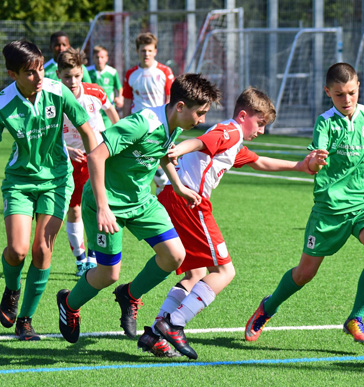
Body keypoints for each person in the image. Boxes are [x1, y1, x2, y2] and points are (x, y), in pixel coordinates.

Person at [244, 63, 364, 346]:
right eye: (339, 95)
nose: (346, 100)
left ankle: (355, 318)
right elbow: (313, 157)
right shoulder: (325, 122)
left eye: (352, 93)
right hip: (329, 209)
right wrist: (314, 161)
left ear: (359, 87)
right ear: (328, 93)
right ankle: (267, 308)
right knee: (304, 273)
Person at [136, 88, 328, 359]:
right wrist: (178, 148)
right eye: (260, 123)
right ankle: (174, 324)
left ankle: (155, 335)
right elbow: (203, 141)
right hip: (190, 201)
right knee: (225, 272)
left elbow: (259, 161)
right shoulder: (232, 131)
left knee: (196, 273)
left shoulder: (233, 141)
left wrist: (300, 166)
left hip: (172, 196)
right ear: (243, 115)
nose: (261, 131)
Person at [56, 73, 220, 346]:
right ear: (180, 107)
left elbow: (163, 152)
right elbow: (96, 155)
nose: (201, 120)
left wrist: (177, 185)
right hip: (106, 202)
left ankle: (130, 295)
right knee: (109, 274)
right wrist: (103, 207)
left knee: (175, 255)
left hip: (141, 201)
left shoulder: (174, 124)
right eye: (199, 113)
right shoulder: (141, 123)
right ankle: (69, 304)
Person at [0, 40, 97, 340]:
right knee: (17, 251)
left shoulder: (57, 90)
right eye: (30, 72)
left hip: (57, 180)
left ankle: (25, 320)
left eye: (41, 68)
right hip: (19, 181)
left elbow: (88, 130)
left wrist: (96, 176)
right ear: (12, 73)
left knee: (42, 250)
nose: (39, 77)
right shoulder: (3, 103)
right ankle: (12, 289)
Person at [57, 48, 120, 277]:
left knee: (96, 208)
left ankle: (94, 256)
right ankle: (80, 259)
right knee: (74, 211)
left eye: (76, 75)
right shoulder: (54, 97)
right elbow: (50, 134)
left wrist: (117, 141)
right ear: (58, 74)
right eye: (67, 77)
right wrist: (67, 150)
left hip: (97, 157)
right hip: (70, 161)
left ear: (82, 72)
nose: (72, 81)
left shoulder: (96, 92)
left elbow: (113, 114)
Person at [122, 32, 175, 194]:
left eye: (150, 50)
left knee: (159, 173)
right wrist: (124, 126)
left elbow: (170, 101)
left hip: (159, 126)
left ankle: (161, 205)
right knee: (141, 169)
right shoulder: (131, 74)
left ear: (155, 51)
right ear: (138, 51)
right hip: (138, 126)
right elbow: (127, 103)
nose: (146, 54)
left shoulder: (165, 72)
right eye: (143, 50)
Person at [86, 45, 124, 128]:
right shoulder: (87, 71)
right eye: (97, 57)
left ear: (106, 58)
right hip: (93, 108)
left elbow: (119, 88)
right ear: (93, 58)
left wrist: (120, 98)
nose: (100, 60)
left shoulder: (112, 72)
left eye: (102, 57)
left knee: (106, 133)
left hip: (107, 108)